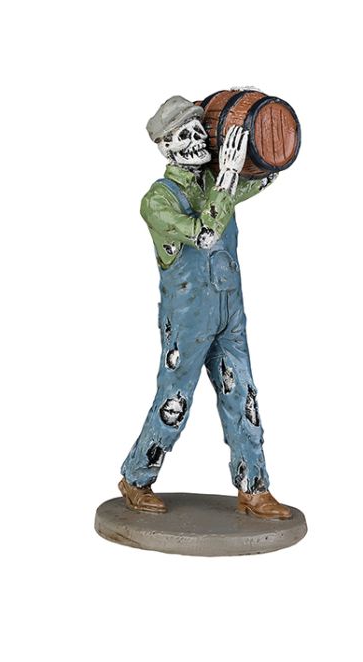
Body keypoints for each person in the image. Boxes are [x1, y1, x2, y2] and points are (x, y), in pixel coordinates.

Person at [118, 96, 291, 519]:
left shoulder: (215, 181)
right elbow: (205, 233)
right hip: (188, 319)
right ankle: (136, 477)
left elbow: (266, 177)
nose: (197, 140)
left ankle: (254, 487)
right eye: (184, 135)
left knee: (243, 395)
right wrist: (228, 176)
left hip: (230, 311)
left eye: (199, 130)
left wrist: (266, 141)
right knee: (175, 399)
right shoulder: (158, 200)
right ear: (166, 146)